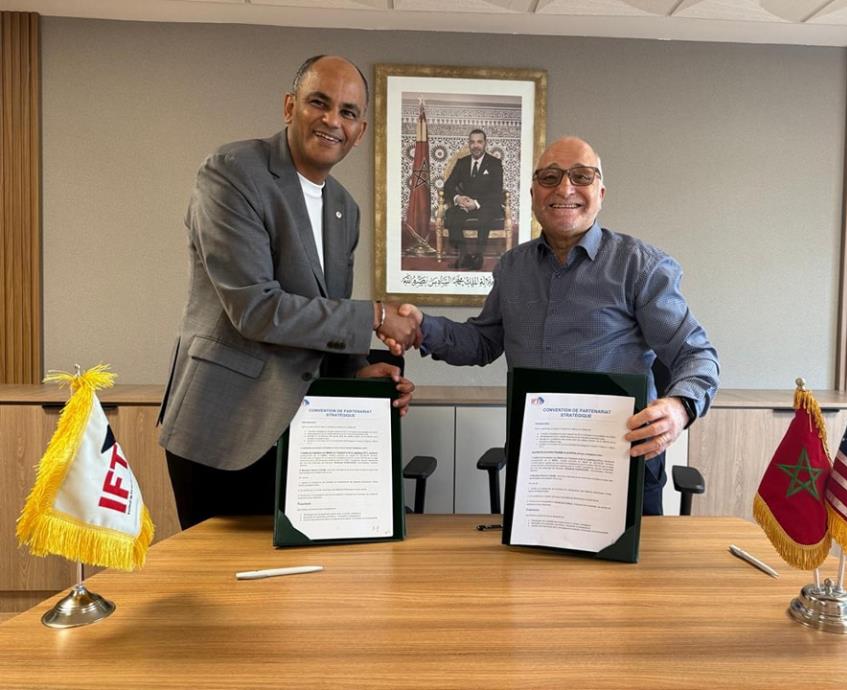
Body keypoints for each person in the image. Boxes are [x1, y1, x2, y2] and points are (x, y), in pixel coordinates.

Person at [389, 136, 719, 515]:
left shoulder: (640, 267)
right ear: (534, 195)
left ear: (600, 193)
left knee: (628, 560)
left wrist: (679, 408)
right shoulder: (512, 268)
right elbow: (482, 342)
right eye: (550, 177)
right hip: (538, 463)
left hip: (622, 464)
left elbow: (697, 355)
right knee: (528, 559)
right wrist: (422, 327)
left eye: (581, 176)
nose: (564, 188)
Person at [158, 55, 419, 530]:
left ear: (359, 132)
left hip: (306, 436)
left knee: (303, 577)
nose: (332, 120)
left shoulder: (344, 208)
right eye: (319, 103)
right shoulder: (232, 173)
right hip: (225, 430)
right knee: (223, 577)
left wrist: (357, 372)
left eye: (348, 112)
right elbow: (256, 309)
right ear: (289, 106)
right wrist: (377, 316)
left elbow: (325, 309)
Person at [442, 129, 504, 270]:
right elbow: (448, 185)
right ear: (469, 144)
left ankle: (478, 257)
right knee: (451, 214)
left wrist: (476, 204)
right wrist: (458, 198)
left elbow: (496, 192)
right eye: (472, 142)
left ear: (485, 143)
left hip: (486, 205)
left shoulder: (494, 163)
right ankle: (464, 256)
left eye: (479, 142)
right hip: (466, 204)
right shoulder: (462, 162)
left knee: (485, 215)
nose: (476, 145)